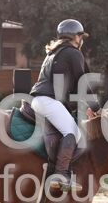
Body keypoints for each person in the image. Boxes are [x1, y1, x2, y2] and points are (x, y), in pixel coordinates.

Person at [29, 19, 100, 191]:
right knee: (73, 132)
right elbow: (83, 83)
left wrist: (85, 106)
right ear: (76, 36)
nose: (81, 40)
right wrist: (97, 108)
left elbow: (70, 87)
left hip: (39, 99)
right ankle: (61, 175)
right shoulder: (73, 52)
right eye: (81, 36)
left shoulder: (52, 53)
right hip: (49, 100)